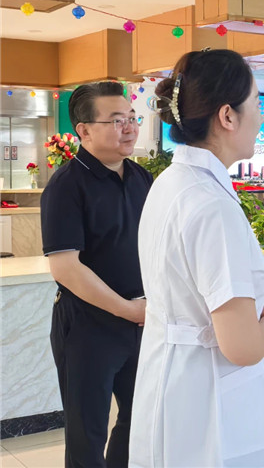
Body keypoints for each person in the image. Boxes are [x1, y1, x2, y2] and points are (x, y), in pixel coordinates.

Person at [129, 49, 264, 468]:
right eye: (257, 103)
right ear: (227, 116)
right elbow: (240, 346)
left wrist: (250, 314)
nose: (262, 118)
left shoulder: (172, 182)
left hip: (171, 377)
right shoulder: (212, 204)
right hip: (205, 394)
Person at [40, 82, 152, 467]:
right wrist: (128, 309)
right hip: (88, 325)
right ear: (84, 130)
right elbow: (65, 267)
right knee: (87, 433)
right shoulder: (66, 186)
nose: (130, 127)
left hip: (142, 321)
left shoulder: (141, 179)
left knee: (141, 419)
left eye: (133, 118)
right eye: (117, 120)